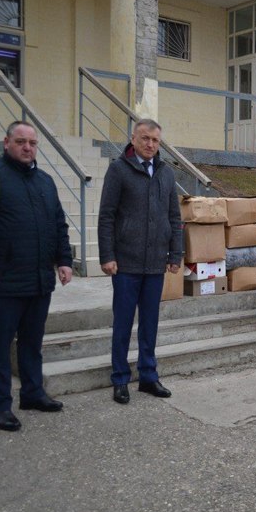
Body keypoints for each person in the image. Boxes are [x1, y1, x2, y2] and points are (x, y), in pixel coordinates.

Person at [0, 121, 73, 431]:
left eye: (32, 143)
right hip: (3, 281)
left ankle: (33, 393)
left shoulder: (46, 182)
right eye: (21, 141)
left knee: (32, 343)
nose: (27, 147)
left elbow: (58, 225)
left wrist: (65, 260)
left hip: (39, 281)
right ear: (7, 142)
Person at [98, 119, 183, 405]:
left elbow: (174, 217)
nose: (150, 144)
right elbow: (107, 215)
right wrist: (107, 256)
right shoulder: (118, 170)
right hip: (125, 264)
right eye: (145, 138)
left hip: (155, 264)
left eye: (155, 140)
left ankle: (148, 376)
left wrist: (176, 254)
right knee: (122, 323)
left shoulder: (166, 174)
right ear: (133, 139)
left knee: (150, 324)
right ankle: (120, 378)